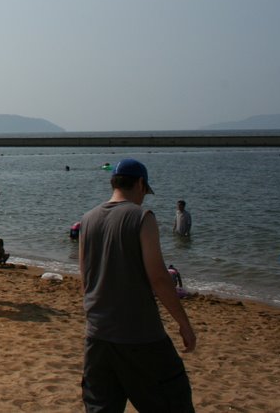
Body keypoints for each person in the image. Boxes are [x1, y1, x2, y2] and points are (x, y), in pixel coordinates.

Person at [79, 158, 195, 412]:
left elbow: (86, 277)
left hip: (97, 335)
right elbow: (159, 278)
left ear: (114, 182)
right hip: (140, 335)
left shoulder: (87, 219)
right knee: (174, 402)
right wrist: (183, 323)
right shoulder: (142, 217)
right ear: (141, 184)